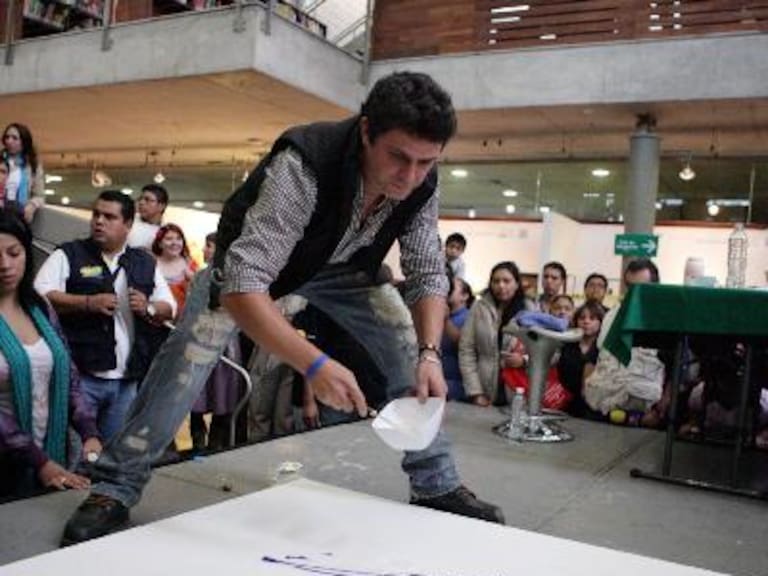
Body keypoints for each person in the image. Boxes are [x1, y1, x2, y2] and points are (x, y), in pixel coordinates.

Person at [60, 71, 504, 545]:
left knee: (405, 343)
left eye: (425, 162)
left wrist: (431, 354)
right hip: (253, 268)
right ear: (366, 131)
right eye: (398, 157)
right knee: (185, 363)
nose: (410, 176)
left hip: (345, 269)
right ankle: (115, 485)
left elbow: (428, 272)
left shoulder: (421, 182)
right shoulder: (305, 161)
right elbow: (244, 284)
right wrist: (313, 364)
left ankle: (435, 482)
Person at [34, 190, 176, 443]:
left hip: (126, 381)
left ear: (128, 225)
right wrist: (87, 303)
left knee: (112, 452)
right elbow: (40, 296)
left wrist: (149, 308)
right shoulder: (69, 254)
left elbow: (170, 307)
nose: (99, 221)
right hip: (79, 379)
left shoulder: (143, 262)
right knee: (76, 451)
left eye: (109, 217)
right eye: (96, 214)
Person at [0, 210, 102, 499]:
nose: (5, 265)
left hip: (51, 451)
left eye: (14, 253)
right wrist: (40, 462)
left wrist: (89, 432)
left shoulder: (40, 309)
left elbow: (68, 376)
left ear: (27, 254)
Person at [459, 261, 532, 406]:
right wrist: (475, 392)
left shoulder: (530, 309)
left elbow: (546, 352)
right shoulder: (479, 307)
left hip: (519, 389)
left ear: (517, 284)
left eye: (506, 281)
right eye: (496, 281)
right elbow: (466, 350)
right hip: (485, 388)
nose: (501, 285)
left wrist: (524, 360)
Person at [557, 301, 604, 417]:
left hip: (594, 408)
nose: (586, 322)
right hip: (564, 403)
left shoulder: (604, 349)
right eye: (582, 318)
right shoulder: (566, 344)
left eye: (592, 318)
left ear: (601, 322)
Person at [1, 123, 45, 223]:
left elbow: (40, 196)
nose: (9, 141)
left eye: (14, 138)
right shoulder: (1, 161)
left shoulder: (33, 165)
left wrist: (32, 205)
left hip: (18, 216)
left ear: (24, 142)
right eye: (7, 137)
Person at [151, 224, 198, 314]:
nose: (174, 243)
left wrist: (193, 280)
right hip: (158, 314)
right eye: (169, 239)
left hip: (183, 317)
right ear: (160, 244)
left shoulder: (190, 264)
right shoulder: (151, 264)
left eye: (178, 239)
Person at [441, 276, 473, 401]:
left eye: (451, 288)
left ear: (465, 296)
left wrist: (445, 319)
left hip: (458, 385)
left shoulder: (470, 318)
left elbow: (464, 345)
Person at [127, 184, 168, 250]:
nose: (141, 202)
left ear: (161, 206)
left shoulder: (167, 231)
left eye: (147, 200)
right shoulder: (128, 222)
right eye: (140, 199)